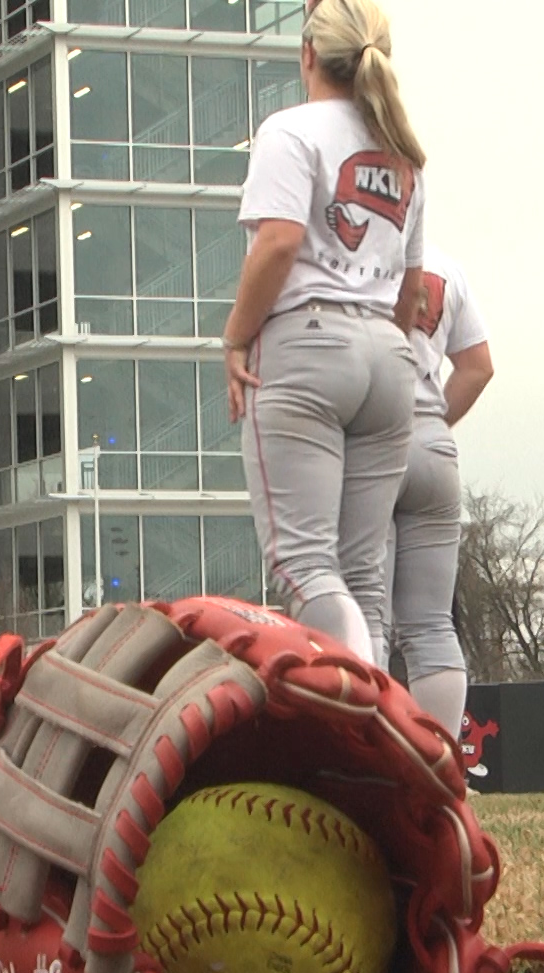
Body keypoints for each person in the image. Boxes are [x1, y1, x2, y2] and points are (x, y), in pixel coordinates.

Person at [224, 0, 426, 665]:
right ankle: (377, 730)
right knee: (366, 575)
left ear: (307, 53)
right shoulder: (404, 157)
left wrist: (235, 338)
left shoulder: (290, 131)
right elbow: (411, 287)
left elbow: (278, 243)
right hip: (389, 355)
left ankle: (352, 720)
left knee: (304, 564)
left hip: (307, 344)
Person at [376, 245, 492, 739]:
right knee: (431, 626)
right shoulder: (448, 268)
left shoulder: (349, 256)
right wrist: (433, 427)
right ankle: (445, 772)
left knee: (368, 622)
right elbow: (478, 367)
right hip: (431, 442)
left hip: (372, 437)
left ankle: (365, 764)